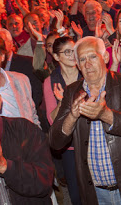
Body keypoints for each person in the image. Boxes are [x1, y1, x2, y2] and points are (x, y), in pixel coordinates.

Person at [49, 36, 121, 204]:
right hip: (94, 192)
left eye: (92, 56)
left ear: (105, 58)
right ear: (77, 64)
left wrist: (105, 114)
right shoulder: (72, 92)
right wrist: (72, 116)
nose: (87, 63)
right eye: (82, 59)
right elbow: (55, 142)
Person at [43, 36, 82, 205]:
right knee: (76, 191)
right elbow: (51, 119)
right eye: (67, 52)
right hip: (70, 146)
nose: (73, 55)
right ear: (56, 57)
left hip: (93, 139)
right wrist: (62, 101)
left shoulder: (86, 72)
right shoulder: (50, 81)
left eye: (74, 50)